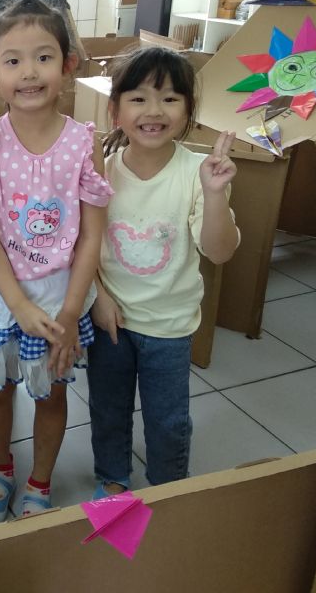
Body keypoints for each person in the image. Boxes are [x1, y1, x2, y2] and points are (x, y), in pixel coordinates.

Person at [0, 0, 112, 523]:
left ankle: (39, 481)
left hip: (59, 296)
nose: (29, 72)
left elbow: (91, 236)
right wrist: (18, 304)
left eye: (44, 57)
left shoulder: (84, 144)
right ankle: (2, 470)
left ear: (68, 65)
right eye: (13, 60)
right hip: (1, 297)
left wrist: (68, 312)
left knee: (51, 394)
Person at [88, 46, 240, 498]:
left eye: (170, 98)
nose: (154, 111)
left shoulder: (199, 172)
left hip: (170, 327)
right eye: (138, 98)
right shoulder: (100, 171)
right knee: (108, 408)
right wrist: (97, 296)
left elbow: (220, 252)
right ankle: (112, 477)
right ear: (115, 110)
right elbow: (81, 244)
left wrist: (215, 194)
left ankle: (167, 487)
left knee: (168, 418)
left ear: (188, 110)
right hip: (111, 320)